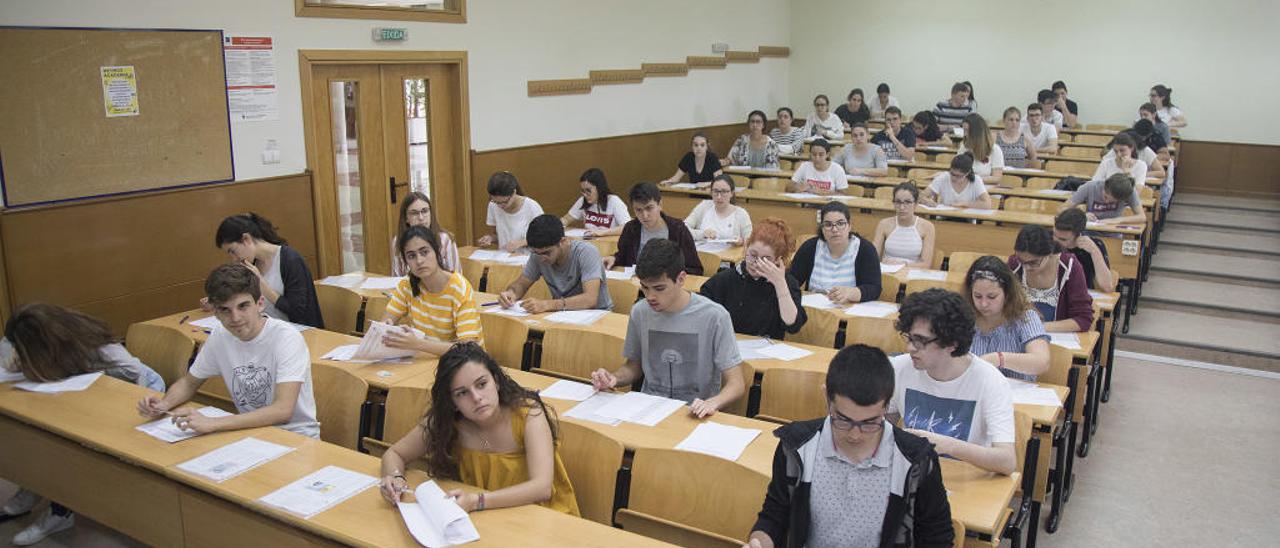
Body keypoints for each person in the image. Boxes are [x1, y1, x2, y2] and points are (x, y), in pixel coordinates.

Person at [744, 345, 954, 548]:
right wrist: (760, 542)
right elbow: (774, 516)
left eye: (869, 422)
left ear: (887, 405)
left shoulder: (915, 460)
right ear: (827, 397)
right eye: (843, 420)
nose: (855, 434)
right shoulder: (797, 448)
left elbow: (937, 537)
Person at [2, 304, 166, 545]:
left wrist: (80, 377)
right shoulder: (23, 341)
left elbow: (132, 371)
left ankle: (61, 511)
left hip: (142, 390)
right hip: (79, 395)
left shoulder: (89, 341)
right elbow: (8, 361)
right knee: (41, 433)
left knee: (71, 444)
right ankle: (36, 484)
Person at [378, 343, 579, 515]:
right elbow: (395, 453)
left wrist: (478, 501)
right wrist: (395, 477)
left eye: (482, 384)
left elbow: (541, 487)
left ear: (497, 381)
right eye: (462, 393)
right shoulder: (448, 422)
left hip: (540, 514)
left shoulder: (528, 414)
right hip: (483, 517)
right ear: (453, 402)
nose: (476, 398)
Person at [138, 263, 319, 435]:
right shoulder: (220, 337)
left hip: (296, 435)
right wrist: (163, 405)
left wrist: (212, 423)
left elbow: (282, 410)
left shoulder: (286, 338)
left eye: (243, 306)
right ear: (215, 313)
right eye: (225, 310)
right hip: (251, 433)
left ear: (260, 303)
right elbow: (188, 383)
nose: (235, 318)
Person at [590, 239, 746, 417]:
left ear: (680, 279)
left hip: (694, 412)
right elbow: (634, 367)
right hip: (648, 409)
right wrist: (614, 378)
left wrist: (713, 402)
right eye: (645, 288)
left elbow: (736, 384)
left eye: (659, 288)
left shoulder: (715, 316)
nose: (650, 296)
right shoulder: (640, 312)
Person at [887, 288, 1017, 475]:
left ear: (951, 344)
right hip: (914, 475)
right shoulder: (899, 368)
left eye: (920, 341)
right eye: (909, 338)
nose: (910, 348)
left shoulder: (990, 381)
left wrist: (946, 445)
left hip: (967, 480)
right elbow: (884, 428)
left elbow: (1006, 462)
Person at [383, 226, 485, 353]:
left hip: (463, 363)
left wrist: (418, 344)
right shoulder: (406, 285)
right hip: (426, 360)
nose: (419, 261)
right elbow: (385, 323)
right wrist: (387, 329)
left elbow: (468, 348)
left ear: (437, 252)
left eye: (424, 252)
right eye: (411, 256)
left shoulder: (459, 288)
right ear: (406, 262)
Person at [700, 217, 807, 339]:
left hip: (767, 352)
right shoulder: (724, 279)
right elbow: (702, 314)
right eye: (753, 255)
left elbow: (792, 325)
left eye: (766, 259)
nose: (756, 263)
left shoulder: (787, 283)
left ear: (778, 260)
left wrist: (780, 284)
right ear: (746, 248)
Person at [215, 212, 324, 328]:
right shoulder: (252, 262)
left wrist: (262, 284)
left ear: (246, 239)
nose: (234, 259)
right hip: (264, 330)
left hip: (297, 332)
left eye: (233, 251)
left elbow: (297, 311)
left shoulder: (290, 260)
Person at [498, 215, 611, 313]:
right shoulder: (538, 255)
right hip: (562, 315)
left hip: (596, 314)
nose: (542, 258)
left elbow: (590, 299)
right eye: (537, 253)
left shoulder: (586, 252)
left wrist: (547, 305)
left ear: (563, 242)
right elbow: (521, 284)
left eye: (547, 252)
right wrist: (511, 293)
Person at [965, 257, 1051, 382]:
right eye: (977, 296)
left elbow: (1042, 362)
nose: (983, 304)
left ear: (1007, 293)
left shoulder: (1025, 318)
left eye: (992, 297)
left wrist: (999, 359)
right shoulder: (963, 316)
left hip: (1016, 397)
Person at [789, 202, 882, 304]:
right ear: (822, 228)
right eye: (828, 225)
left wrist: (851, 292)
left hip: (848, 310)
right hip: (814, 310)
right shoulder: (810, 247)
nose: (834, 229)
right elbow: (792, 280)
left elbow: (874, 288)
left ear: (849, 225)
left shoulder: (865, 249)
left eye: (840, 223)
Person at [1008, 226, 1094, 333]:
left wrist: (1037, 327)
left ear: (1049, 254)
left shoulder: (1069, 266)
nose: (1026, 267)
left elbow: (1083, 319)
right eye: (1021, 260)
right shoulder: (1015, 265)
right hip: (1020, 335)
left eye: (1033, 263)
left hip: (1057, 338)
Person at [604, 182, 703, 275]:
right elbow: (623, 257)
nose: (645, 215)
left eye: (649, 208)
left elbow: (695, 269)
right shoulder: (631, 229)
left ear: (660, 205)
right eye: (638, 210)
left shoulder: (678, 229)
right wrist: (614, 259)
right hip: (637, 286)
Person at [393, 192, 460, 276]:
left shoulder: (445, 239)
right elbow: (397, 277)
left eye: (424, 211)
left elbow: (456, 276)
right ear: (406, 218)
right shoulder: (398, 240)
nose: (421, 218)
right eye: (414, 213)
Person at [874, 182, 937, 268]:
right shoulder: (884, 224)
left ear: (915, 204)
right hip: (887, 272)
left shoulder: (928, 227)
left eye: (907, 202)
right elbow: (873, 257)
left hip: (912, 273)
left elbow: (926, 265)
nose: (902, 207)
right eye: (898, 202)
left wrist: (902, 265)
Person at [478, 171, 544, 252]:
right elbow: (499, 236)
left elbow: (544, 237)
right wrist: (490, 238)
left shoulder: (531, 207)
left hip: (526, 259)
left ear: (514, 193)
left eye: (504, 202)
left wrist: (521, 243)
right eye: (496, 202)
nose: (500, 206)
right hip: (504, 258)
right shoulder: (493, 205)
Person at [1053, 208, 1115, 293]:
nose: (1056, 241)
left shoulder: (1093, 245)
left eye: (1063, 239)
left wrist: (1094, 251)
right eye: (1054, 235)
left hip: (1078, 296)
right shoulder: (1048, 241)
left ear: (1078, 235)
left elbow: (1107, 286)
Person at [561, 168, 630, 238]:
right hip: (590, 242)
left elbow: (627, 227)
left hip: (609, 244)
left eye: (588, 190)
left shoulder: (614, 201)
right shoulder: (582, 200)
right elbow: (566, 219)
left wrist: (602, 232)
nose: (585, 194)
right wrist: (558, 225)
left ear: (599, 188)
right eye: (583, 191)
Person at [685, 174, 753, 243]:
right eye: (716, 191)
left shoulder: (741, 214)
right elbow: (683, 228)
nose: (719, 197)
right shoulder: (704, 206)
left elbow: (750, 241)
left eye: (724, 192)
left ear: (732, 193)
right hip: (702, 252)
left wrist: (741, 242)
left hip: (729, 253)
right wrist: (702, 234)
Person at [1062, 173, 1147, 226]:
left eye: (1112, 201)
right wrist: (1081, 215)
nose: (1106, 201)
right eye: (1105, 196)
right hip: (1089, 231)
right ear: (1104, 186)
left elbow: (1142, 217)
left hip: (1113, 231)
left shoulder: (1129, 192)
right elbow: (1062, 209)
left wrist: (1117, 220)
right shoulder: (1089, 187)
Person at [921, 154, 992, 209]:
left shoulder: (976, 180)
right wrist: (926, 201)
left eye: (958, 176)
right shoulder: (943, 177)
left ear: (967, 173)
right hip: (943, 217)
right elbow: (920, 196)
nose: (954, 178)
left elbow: (988, 204)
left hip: (968, 220)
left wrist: (964, 204)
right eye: (952, 174)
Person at [957, 113, 1004, 179]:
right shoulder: (963, 148)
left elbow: (996, 178)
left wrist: (974, 179)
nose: (965, 134)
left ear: (976, 132)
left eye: (967, 130)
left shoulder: (995, 150)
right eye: (964, 130)